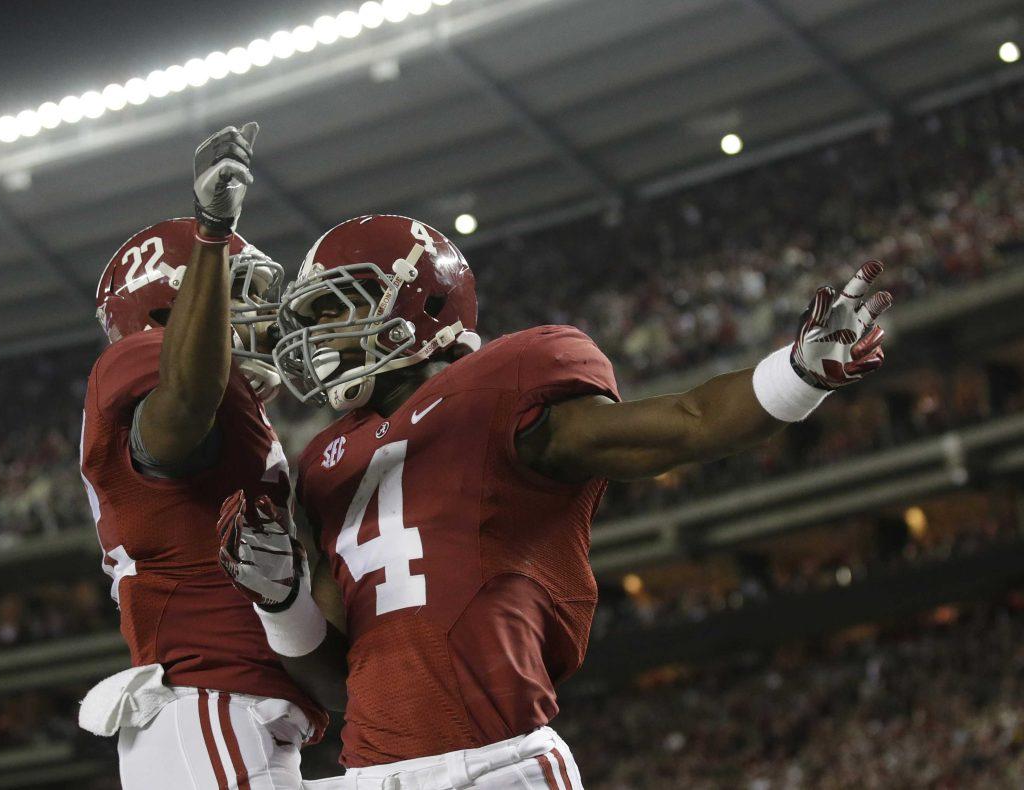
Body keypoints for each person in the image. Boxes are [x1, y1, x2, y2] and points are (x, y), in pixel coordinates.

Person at [219, 214, 891, 789]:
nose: (319, 334)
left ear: (420, 302)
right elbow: (340, 683)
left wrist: (796, 376)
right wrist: (280, 601)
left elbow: (685, 422)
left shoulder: (503, 384)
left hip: (491, 766)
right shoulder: (326, 462)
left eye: (336, 307)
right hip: (367, 772)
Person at [77, 123, 325, 790]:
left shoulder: (238, 415)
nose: (262, 323)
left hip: (226, 718)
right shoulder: (148, 376)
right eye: (232, 296)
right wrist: (212, 233)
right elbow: (183, 404)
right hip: (211, 712)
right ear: (172, 311)